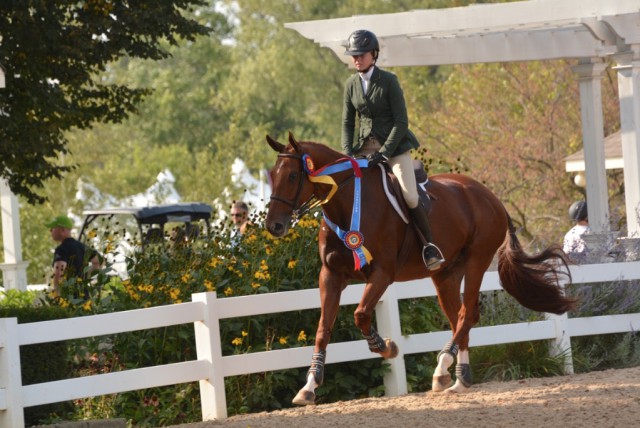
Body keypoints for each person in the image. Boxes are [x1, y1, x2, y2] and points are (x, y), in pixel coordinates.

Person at [341, 29, 444, 270]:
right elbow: (347, 123)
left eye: (361, 55)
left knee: (409, 195)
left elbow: (401, 122)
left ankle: (429, 246)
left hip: (394, 148)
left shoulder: (389, 81)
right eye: (353, 55)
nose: (356, 59)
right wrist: (348, 153)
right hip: (364, 149)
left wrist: (385, 153)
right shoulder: (350, 85)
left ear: (374, 55)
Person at [46, 214, 100, 299]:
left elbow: (59, 272)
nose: (50, 231)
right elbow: (98, 262)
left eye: (52, 228)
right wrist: (85, 277)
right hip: (85, 299)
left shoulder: (61, 249)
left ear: (62, 230)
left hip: (69, 300)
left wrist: (57, 295)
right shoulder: (81, 246)